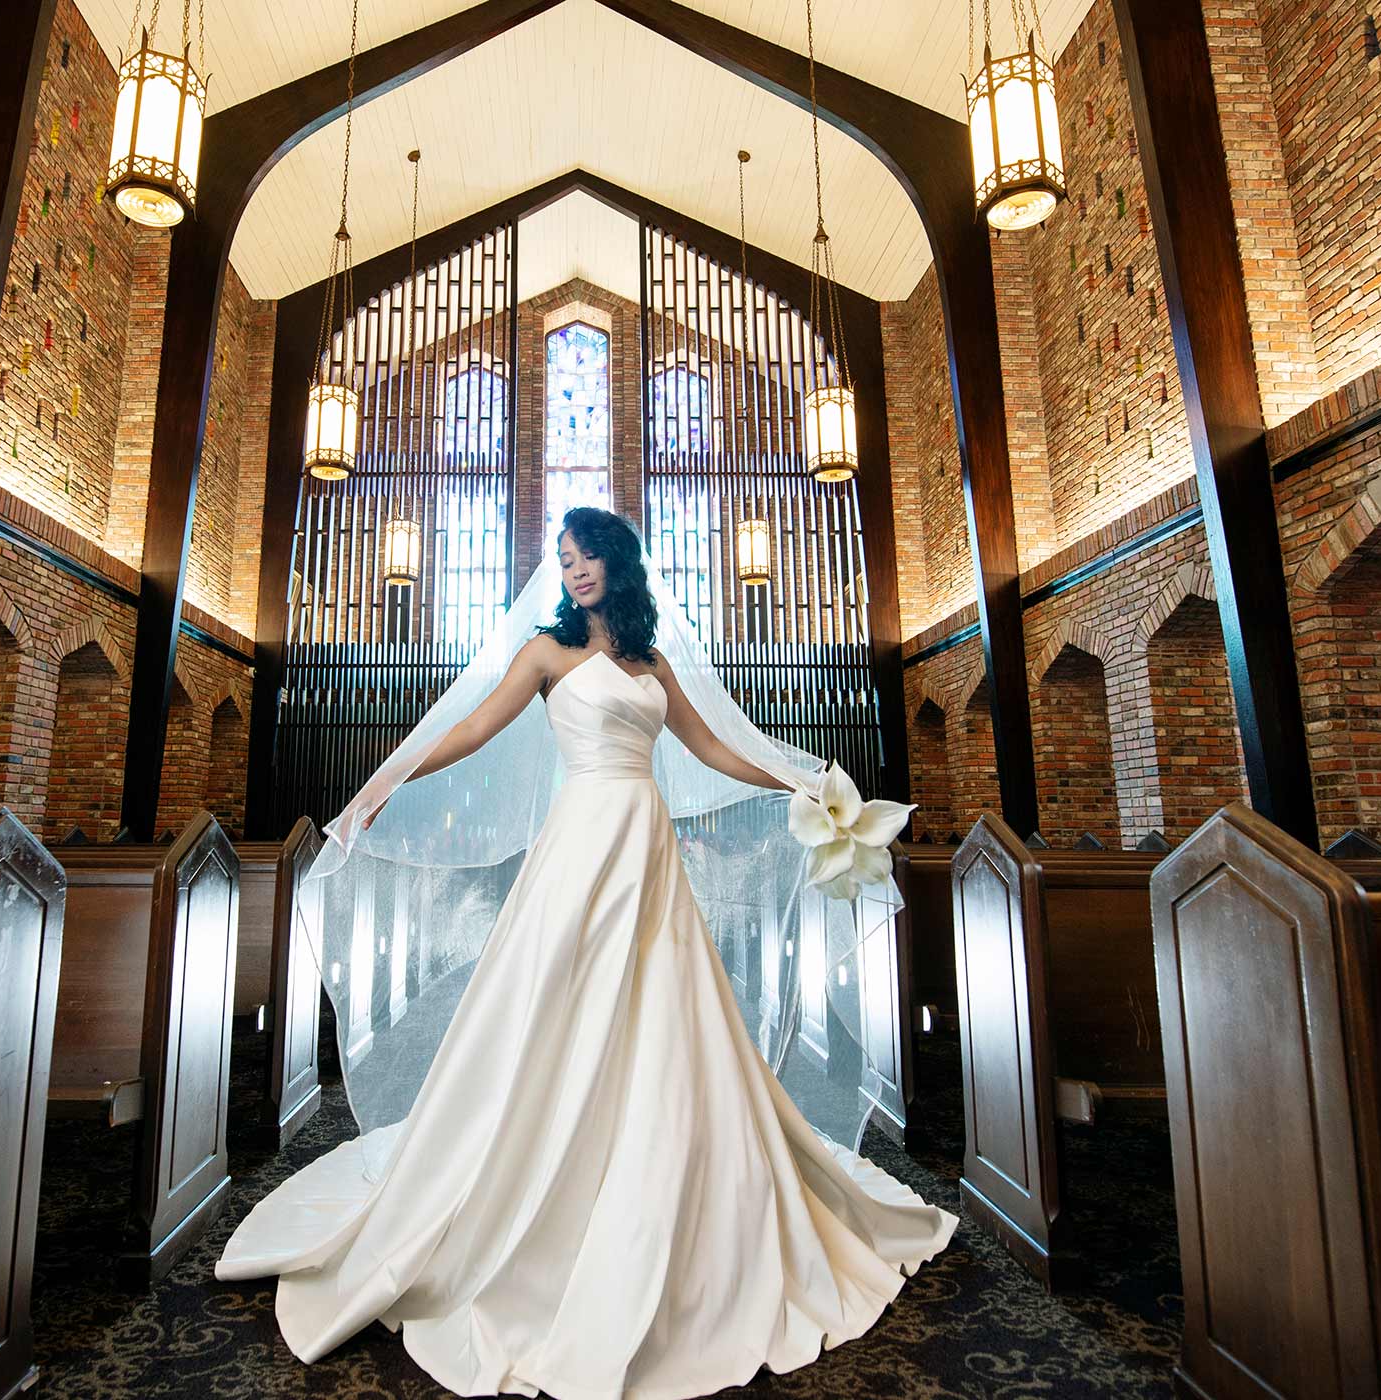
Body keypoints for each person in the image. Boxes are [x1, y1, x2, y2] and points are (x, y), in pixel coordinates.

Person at [216, 506, 954, 1400]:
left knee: (664, 1004)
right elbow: (475, 727)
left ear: (616, 561)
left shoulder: (652, 663)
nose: (572, 571)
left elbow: (716, 748)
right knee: (555, 1002)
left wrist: (801, 777)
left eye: (585, 556)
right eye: (563, 559)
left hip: (644, 843)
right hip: (580, 844)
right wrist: (386, 778)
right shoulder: (544, 652)